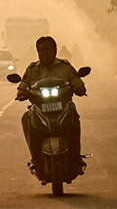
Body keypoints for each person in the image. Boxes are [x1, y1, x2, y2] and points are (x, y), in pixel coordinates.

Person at [17, 36, 86, 172]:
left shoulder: (65, 67)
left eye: (48, 49)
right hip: (40, 108)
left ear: (55, 50)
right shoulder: (32, 69)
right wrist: (21, 93)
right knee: (26, 118)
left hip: (63, 107)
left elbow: (77, 81)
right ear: (38, 52)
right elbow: (23, 85)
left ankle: (76, 156)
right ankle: (35, 157)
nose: (45, 53)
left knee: (74, 117)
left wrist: (80, 88)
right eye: (41, 50)